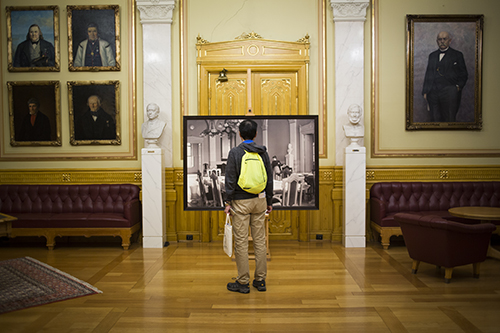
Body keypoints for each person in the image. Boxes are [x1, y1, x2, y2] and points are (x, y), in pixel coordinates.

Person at [224, 119, 273, 294]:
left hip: (241, 202)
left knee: (242, 242)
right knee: (260, 241)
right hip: (260, 201)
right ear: (256, 134)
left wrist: (228, 202)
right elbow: (269, 177)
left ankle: (243, 282)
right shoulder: (263, 152)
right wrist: (270, 200)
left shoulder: (235, 152)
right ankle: (260, 281)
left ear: (239, 134)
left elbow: (230, 179)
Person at [422, 31, 468, 122]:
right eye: (440, 39)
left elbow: (464, 74)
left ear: (449, 41)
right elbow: (428, 74)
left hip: (450, 92)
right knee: (435, 119)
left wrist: (457, 87)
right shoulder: (432, 56)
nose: (442, 41)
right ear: (437, 41)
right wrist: (425, 91)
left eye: (444, 39)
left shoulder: (457, 55)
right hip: (433, 93)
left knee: (449, 119)